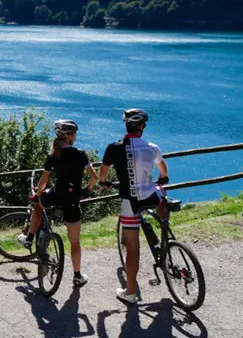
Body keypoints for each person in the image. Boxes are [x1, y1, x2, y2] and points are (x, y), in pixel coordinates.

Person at [99, 108, 169, 305]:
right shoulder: (152, 147)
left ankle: (130, 292)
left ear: (126, 125)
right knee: (162, 196)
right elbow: (163, 171)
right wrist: (162, 179)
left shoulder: (113, 148)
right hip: (150, 194)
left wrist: (104, 183)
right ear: (142, 127)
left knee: (132, 247)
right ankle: (166, 239)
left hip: (130, 201)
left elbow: (103, 174)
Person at [19, 120, 99, 288]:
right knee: (75, 242)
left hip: (55, 195)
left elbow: (43, 181)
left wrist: (38, 195)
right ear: (70, 136)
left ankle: (30, 237)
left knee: (39, 205)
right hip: (72, 200)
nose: (75, 137)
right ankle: (77, 276)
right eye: (75, 134)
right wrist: (86, 191)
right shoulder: (81, 154)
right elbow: (94, 178)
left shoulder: (54, 154)